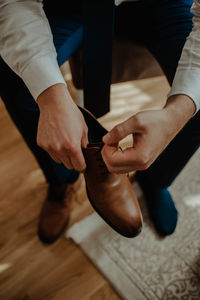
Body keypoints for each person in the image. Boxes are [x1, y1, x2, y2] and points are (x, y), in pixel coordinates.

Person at [0, 0, 199, 243]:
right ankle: (62, 182)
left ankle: (155, 179)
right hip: (69, 6)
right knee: (14, 79)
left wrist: (176, 114)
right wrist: (50, 95)